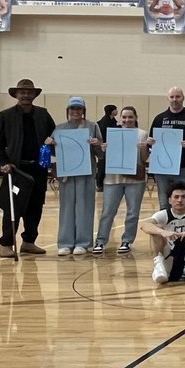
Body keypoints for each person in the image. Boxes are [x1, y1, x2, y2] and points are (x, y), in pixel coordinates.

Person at [0, 78, 57, 257]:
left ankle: (29, 242)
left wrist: (53, 142)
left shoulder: (43, 114)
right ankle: (5, 244)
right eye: (22, 92)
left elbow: (55, 136)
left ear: (34, 95)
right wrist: (5, 162)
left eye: (29, 92)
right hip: (16, 171)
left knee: (35, 207)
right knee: (12, 207)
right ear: (16, 95)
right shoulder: (5, 115)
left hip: (38, 169)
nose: (26, 95)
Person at [94, 105, 148, 255]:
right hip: (113, 179)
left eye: (130, 117)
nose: (127, 120)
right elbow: (102, 156)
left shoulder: (142, 134)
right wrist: (103, 149)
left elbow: (144, 159)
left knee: (132, 212)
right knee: (108, 212)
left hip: (135, 180)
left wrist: (145, 148)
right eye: (124, 117)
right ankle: (100, 241)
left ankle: (127, 240)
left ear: (136, 118)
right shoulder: (112, 134)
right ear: (120, 118)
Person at [53, 96, 102, 256]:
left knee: (85, 207)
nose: (76, 111)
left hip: (86, 173)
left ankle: (83, 242)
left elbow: (101, 154)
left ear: (83, 111)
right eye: (72, 109)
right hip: (67, 175)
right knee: (66, 207)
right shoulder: (59, 129)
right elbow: (54, 155)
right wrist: (50, 145)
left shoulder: (92, 127)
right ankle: (65, 243)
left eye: (78, 108)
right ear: (68, 111)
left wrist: (97, 144)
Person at [141, 181, 185, 285]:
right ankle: (158, 265)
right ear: (170, 200)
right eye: (176, 197)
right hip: (170, 254)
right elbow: (145, 226)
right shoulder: (163, 214)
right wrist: (163, 232)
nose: (180, 200)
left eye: (184, 197)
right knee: (155, 228)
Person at [149, 87, 185, 210]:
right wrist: (150, 142)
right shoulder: (159, 119)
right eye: (172, 97)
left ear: (183, 98)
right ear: (168, 99)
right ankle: (167, 229)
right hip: (162, 170)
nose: (175, 100)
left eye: (178, 97)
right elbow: (151, 141)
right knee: (164, 204)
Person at [94, 104, 118, 192]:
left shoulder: (113, 120)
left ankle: (104, 183)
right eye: (115, 109)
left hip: (111, 147)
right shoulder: (105, 121)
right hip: (104, 147)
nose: (117, 111)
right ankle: (99, 184)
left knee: (107, 166)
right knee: (102, 166)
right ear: (111, 111)